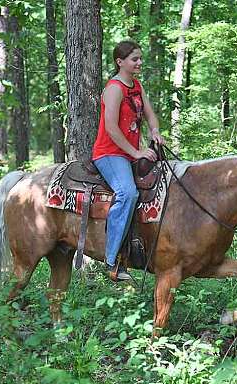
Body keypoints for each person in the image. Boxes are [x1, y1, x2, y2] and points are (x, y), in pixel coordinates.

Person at [92, 40, 165, 282]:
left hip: (129, 152)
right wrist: (136, 153)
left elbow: (150, 114)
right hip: (110, 153)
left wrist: (155, 131)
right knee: (127, 193)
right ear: (119, 62)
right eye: (135, 59)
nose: (139, 63)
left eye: (140, 58)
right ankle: (111, 260)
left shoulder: (136, 85)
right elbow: (112, 128)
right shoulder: (114, 88)